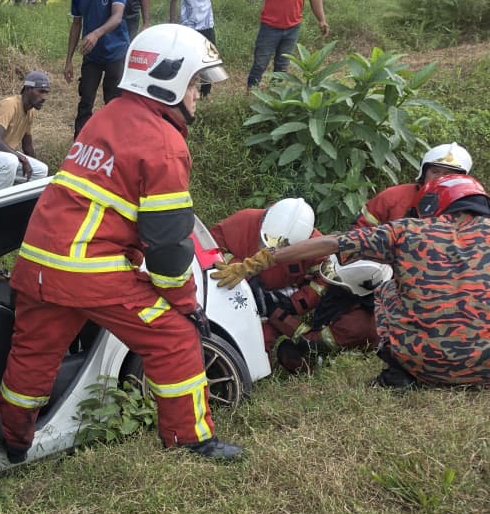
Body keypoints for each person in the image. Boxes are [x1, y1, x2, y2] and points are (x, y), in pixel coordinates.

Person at [0, 24, 241, 463]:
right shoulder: (164, 144)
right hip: (87, 269)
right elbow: (167, 249)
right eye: (196, 84)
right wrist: (186, 304)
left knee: (32, 355)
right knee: (175, 338)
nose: (199, 95)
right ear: (169, 79)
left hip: (38, 262)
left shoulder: (105, 116)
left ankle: (14, 444)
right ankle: (191, 440)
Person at [211, 174, 490, 388]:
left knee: (386, 285)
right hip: (485, 368)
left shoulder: (407, 231)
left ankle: (398, 373)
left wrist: (261, 261)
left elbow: (332, 244)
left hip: (424, 367)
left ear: (433, 203)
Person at [209, 198, 332, 353]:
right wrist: (243, 273)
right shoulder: (244, 221)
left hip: (277, 298)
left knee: (260, 343)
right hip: (230, 287)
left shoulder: (314, 245)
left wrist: (295, 303)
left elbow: (324, 280)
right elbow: (211, 246)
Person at [65, 0, 130, 137]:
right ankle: (79, 144)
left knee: (114, 101)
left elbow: (117, 16)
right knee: (85, 99)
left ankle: (114, 144)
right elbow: (77, 23)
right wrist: (68, 61)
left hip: (116, 53)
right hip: (92, 56)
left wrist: (96, 33)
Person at [356, 142, 473, 227]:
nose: (440, 178)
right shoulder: (393, 196)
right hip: (388, 259)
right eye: (435, 171)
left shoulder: (469, 207)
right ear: (424, 172)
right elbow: (358, 230)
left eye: (448, 174)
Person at [169, 0, 217, 98]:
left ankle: (205, 92)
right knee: (186, 57)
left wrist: (208, 13)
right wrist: (172, 19)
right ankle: (183, 88)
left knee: (208, 58)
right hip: (188, 25)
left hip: (207, 24)